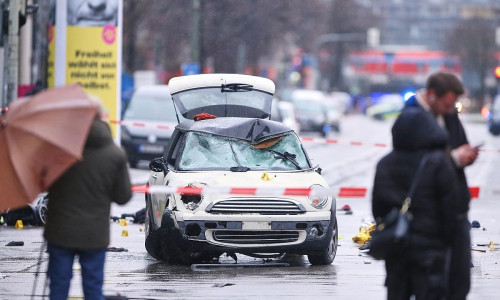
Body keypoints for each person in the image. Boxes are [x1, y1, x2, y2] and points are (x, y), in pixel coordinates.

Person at [43, 106, 132, 300]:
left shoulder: (59, 151)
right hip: (94, 235)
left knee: (58, 287)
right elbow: (123, 197)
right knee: (93, 289)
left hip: (60, 232)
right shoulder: (115, 154)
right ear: (100, 118)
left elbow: (43, 183)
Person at [372, 107, 460, 299]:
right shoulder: (439, 162)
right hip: (430, 249)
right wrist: (445, 242)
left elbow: (377, 209)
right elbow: (450, 208)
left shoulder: (385, 164)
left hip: (397, 247)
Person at [405, 72, 477, 299]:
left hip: (456, 210)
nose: (450, 109)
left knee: (459, 282)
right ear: (433, 95)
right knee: (431, 285)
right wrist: (455, 158)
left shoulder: (449, 115)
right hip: (429, 215)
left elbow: (460, 143)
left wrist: (468, 155)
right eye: (448, 104)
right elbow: (416, 163)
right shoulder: (411, 117)